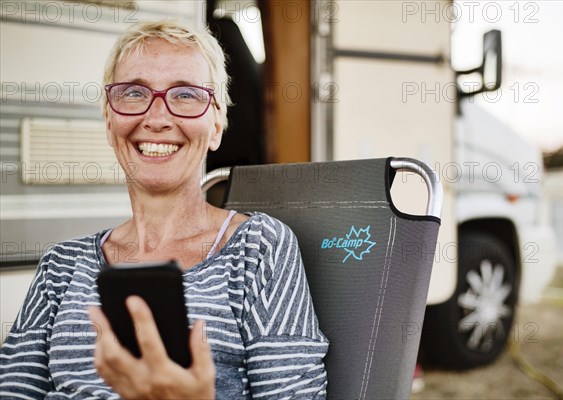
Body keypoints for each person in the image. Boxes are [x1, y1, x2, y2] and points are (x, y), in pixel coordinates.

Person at [0, 20, 328, 399]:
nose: (156, 119)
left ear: (217, 124)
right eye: (134, 93)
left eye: (186, 95)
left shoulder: (260, 249)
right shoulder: (61, 265)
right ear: (109, 121)